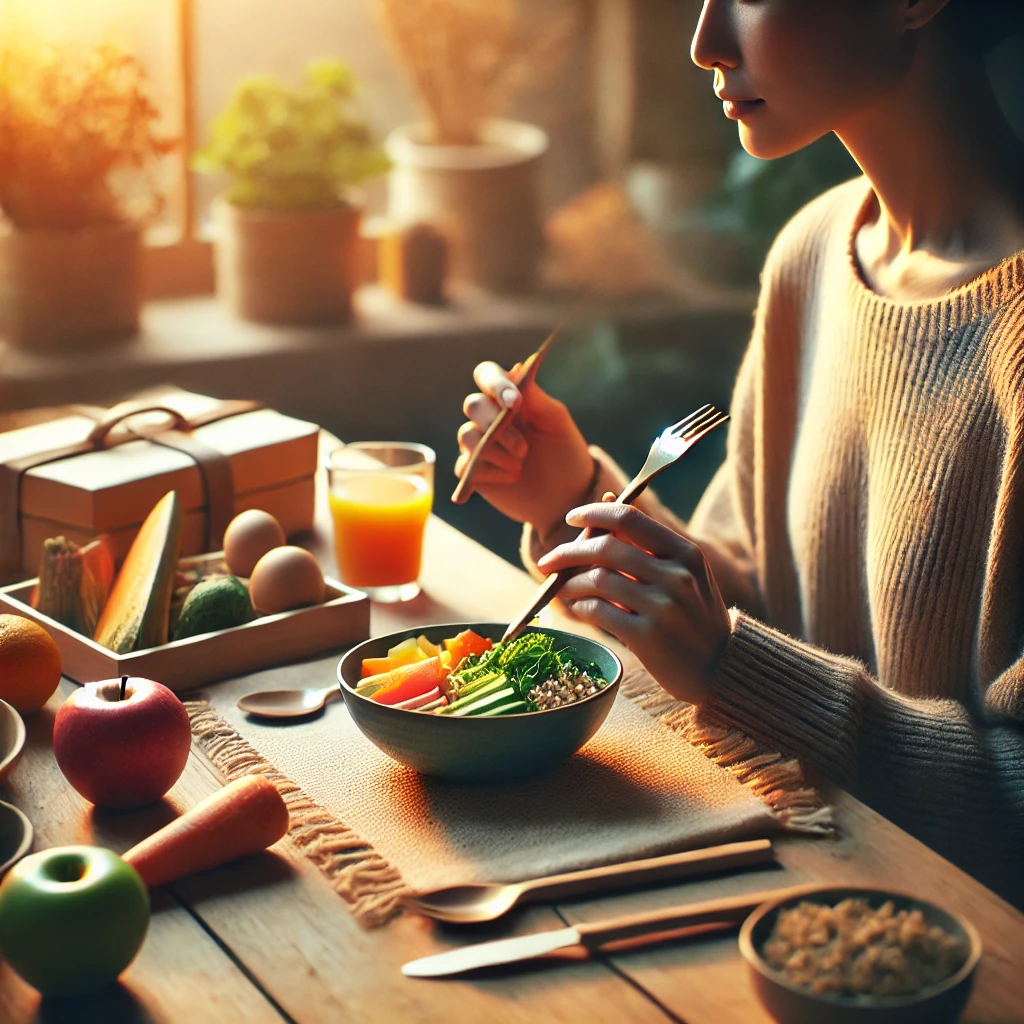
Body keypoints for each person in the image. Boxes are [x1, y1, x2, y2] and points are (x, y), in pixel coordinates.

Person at [456, 0, 1024, 907]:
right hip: (793, 882)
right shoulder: (813, 255)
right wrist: (578, 496)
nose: (704, 42)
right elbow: (753, 594)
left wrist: (731, 669)